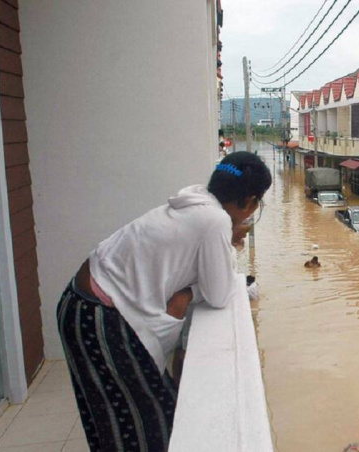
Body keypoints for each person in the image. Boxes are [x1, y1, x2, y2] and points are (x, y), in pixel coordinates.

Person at [57, 152, 271, 451]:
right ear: (250, 201)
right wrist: (193, 286)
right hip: (99, 317)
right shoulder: (215, 220)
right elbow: (220, 294)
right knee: (150, 424)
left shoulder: (196, 201)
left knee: (115, 418)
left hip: (80, 306)